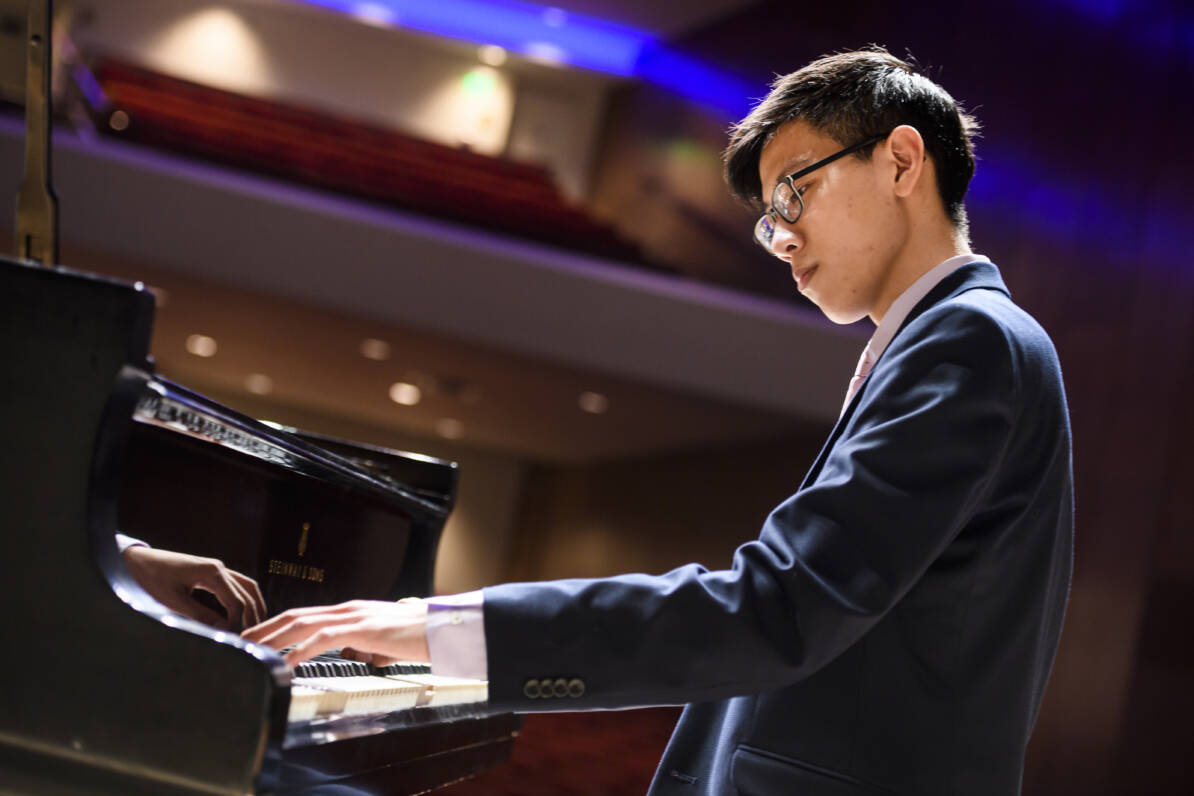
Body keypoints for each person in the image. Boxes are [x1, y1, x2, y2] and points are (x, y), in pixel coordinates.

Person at [245, 47, 1073, 795]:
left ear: (900, 160)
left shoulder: (968, 342)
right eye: (768, 218)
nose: (780, 237)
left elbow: (775, 610)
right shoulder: (951, 344)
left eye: (795, 190)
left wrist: (442, 629)